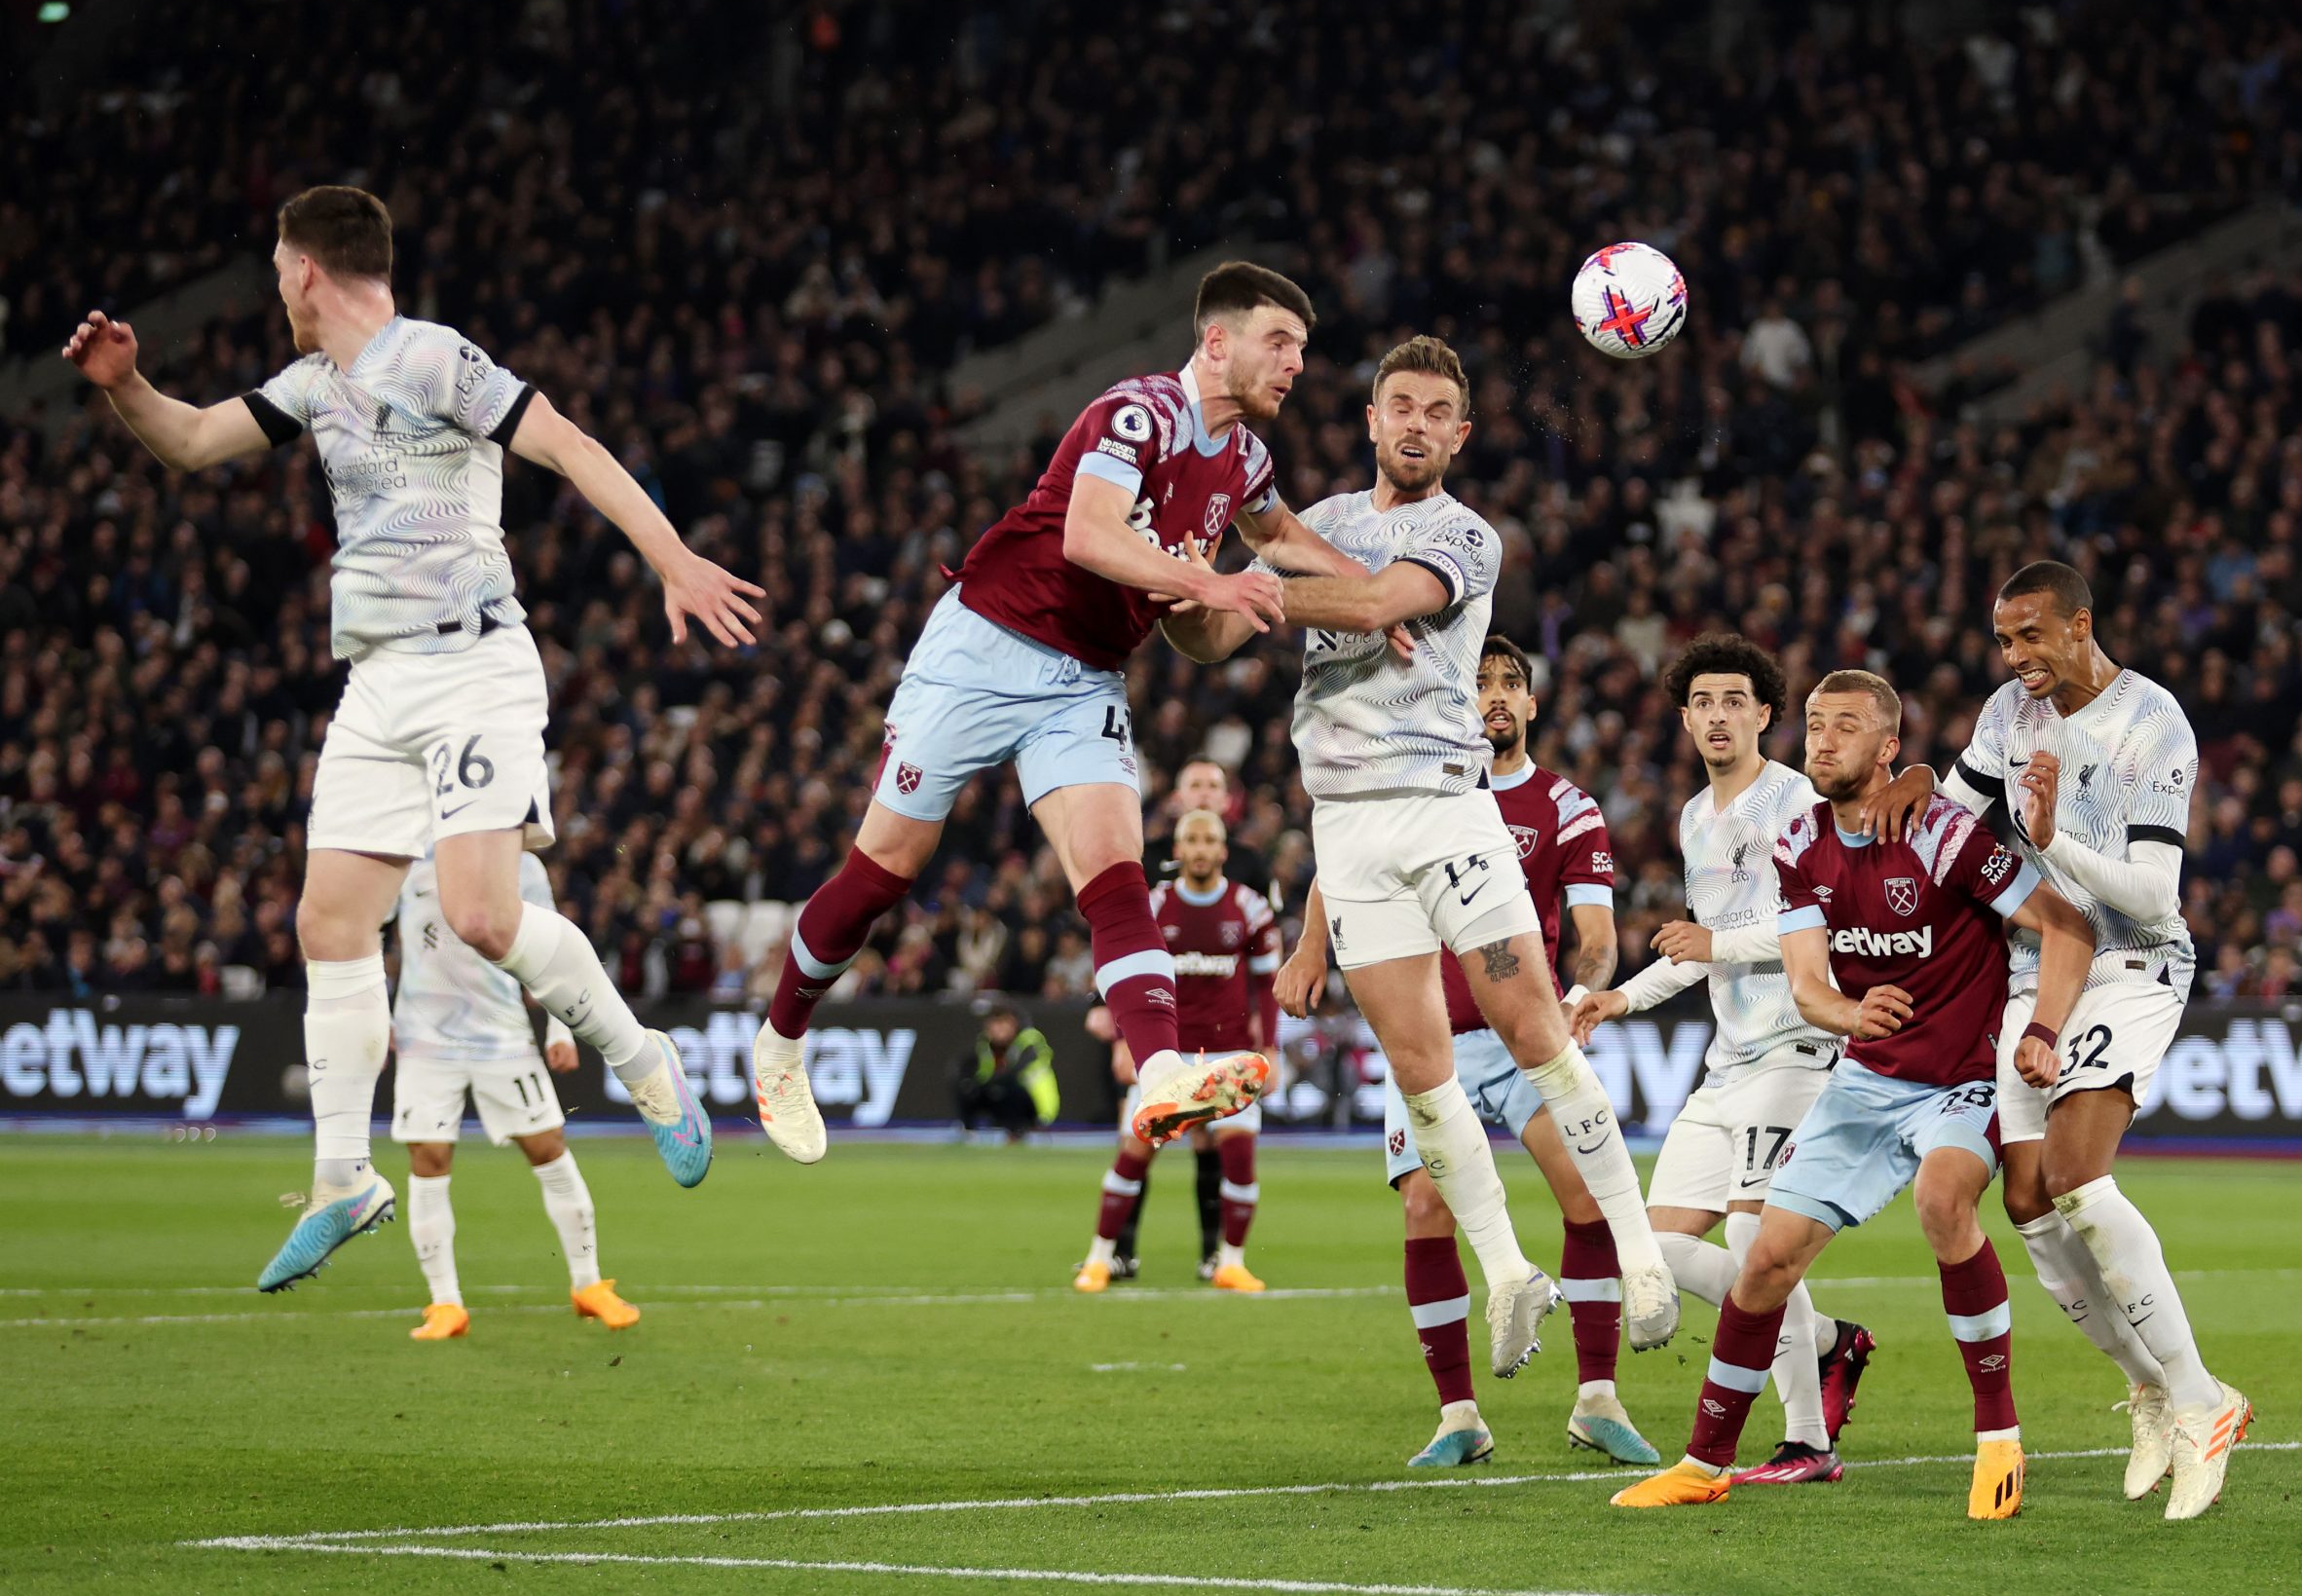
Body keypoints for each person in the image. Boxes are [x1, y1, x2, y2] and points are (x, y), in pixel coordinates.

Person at [62, 185, 756, 1293]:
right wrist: (126, 388)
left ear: (304, 272)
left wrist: (671, 558)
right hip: (377, 679)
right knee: (328, 918)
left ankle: (642, 1056)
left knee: (483, 915)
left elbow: (569, 444)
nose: (272, 286)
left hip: (473, 663)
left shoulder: (434, 358)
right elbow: (190, 442)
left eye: (275, 270)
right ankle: (344, 1174)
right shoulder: (310, 384)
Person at [752, 262, 1374, 1165]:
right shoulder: (1140, 412)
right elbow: (1089, 534)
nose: (1296, 365)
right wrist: (1209, 581)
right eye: (1278, 344)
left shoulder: (1245, 458)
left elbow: (1276, 535)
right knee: (887, 868)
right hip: (985, 644)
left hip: (1084, 678)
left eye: (1303, 350)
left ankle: (1160, 1071)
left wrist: (1374, 596)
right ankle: (781, 1042)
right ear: (1216, 342)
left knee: (1115, 869)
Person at [1166, 335, 1678, 1382]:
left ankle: (1638, 1256)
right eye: (1396, 403)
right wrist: (1172, 593)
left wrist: (1233, 583)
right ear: (1369, 419)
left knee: (1534, 1032)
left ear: (1459, 432)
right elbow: (1210, 642)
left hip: (1447, 812)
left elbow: (1364, 605)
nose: (1412, 422)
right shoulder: (1321, 527)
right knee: (1418, 1067)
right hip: (1345, 827)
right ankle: (1506, 1274)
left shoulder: (1464, 535)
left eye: (1434, 409)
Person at [1613, 671, 2095, 1520]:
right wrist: (1850, 1011)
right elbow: (1806, 985)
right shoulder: (1799, 843)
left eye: (1846, 727)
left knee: (1943, 1202)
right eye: (1815, 725)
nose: (1824, 740)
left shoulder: (1946, 836)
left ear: (1889, 749)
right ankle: (1703, 1463)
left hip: (1959, 1080)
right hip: (1866, 1079)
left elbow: (2067, 925)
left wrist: (2044, 1031)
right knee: (1764, 1259)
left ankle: (1998, 1438)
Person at [1863, 561, 2250, 1518]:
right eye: (2002, 639)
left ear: (2081, 624)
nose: (2014, 656)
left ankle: (2206, 1398)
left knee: (2077, 1171)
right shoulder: (2008, 711)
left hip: (2132, 966)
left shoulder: (2153, 722)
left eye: (2030, 635)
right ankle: (2150, 1382)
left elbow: (2153, 896)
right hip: (2032, 973)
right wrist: (1916, 775)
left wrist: (2051, 837)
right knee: (2029, 1198)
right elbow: (1953, 808)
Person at [1284, 633, 1657, 1466]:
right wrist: (1312, 946)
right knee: (1423, 1207)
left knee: (1584, 1189)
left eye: (1509, 684)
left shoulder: (1566, 807)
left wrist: (1572, 999)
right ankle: (1459, 1416)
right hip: (1426, 1043)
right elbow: (1343, 855)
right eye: (1476, 679)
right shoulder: (1410, 783)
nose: (1492, 694)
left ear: (1530, 706)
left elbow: (1595, 936)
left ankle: (1597, 1397)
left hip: (1520, 1041)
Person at [1571, 635, 1875, 1485]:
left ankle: (1807, 1440)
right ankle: (1826, 1342)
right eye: (1702, 702)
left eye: (1734, 700)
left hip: (1799, 1046)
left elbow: (1821, 931)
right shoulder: (1694, 819)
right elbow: (1703, 950)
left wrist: (1716, 940)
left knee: (1751, 1235)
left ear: (1765, 714)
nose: (1717, 715)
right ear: (1684, 717)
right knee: (1654, 1251)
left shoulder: (1797, 804)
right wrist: (1618, 997)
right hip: (1727, 1062)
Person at [389, 852, 636, 1339]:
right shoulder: (406, 856)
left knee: (548, 1148)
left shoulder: (521, 865)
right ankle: (445, 1303)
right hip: (425, 1037)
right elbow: (369, 937)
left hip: (501, 1034)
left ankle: (588, 1285)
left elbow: (552, 954)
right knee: (429, 1158)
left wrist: (560, 1030)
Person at [1077, 809, 1278, 1293]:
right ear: (1178, 850)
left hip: (1228, 1049)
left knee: (1239, 1158)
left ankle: (1230, 1261)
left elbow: (1268, 981)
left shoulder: (1249, 907)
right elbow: (1125, 969)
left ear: (1224, 850)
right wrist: (1126, 1040)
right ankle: (1098, 1258)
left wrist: (1269, 1045)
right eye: (1193, 839)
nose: (1202, 848)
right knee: (1133, 1153)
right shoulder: (1154, 904)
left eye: (1210, 839)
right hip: (1166, 1051)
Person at [1119, 757, 1281, 1281]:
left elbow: (1264, 954)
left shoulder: (1251, 867)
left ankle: (1215, 1252)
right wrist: (1115, 1024)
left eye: (1215, 785)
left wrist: (1267, 1034)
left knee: (1215, 1139)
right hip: (1160, 1027)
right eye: (1196, 785)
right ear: (1179, 796)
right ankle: (1121, 1250)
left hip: (1225, 1031)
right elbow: (1125, 947)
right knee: (1143, 1132)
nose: (1206, 793)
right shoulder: (1148, 865)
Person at [956, 1002, 1059, 1140]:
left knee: (1008, 1087)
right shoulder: (984, 1044)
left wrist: (987, 1084)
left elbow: (1015, 1073)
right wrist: (970, 1084)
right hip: (1000, 1097)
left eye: (1004, 1023)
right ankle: (968, 1129)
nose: (1000, 1029)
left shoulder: (1030, 1040)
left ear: (1014, 1023)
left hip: (1034, 1105)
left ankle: (1021, 1129)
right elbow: (963, 1069)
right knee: (968, 1087)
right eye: (995, 1023)